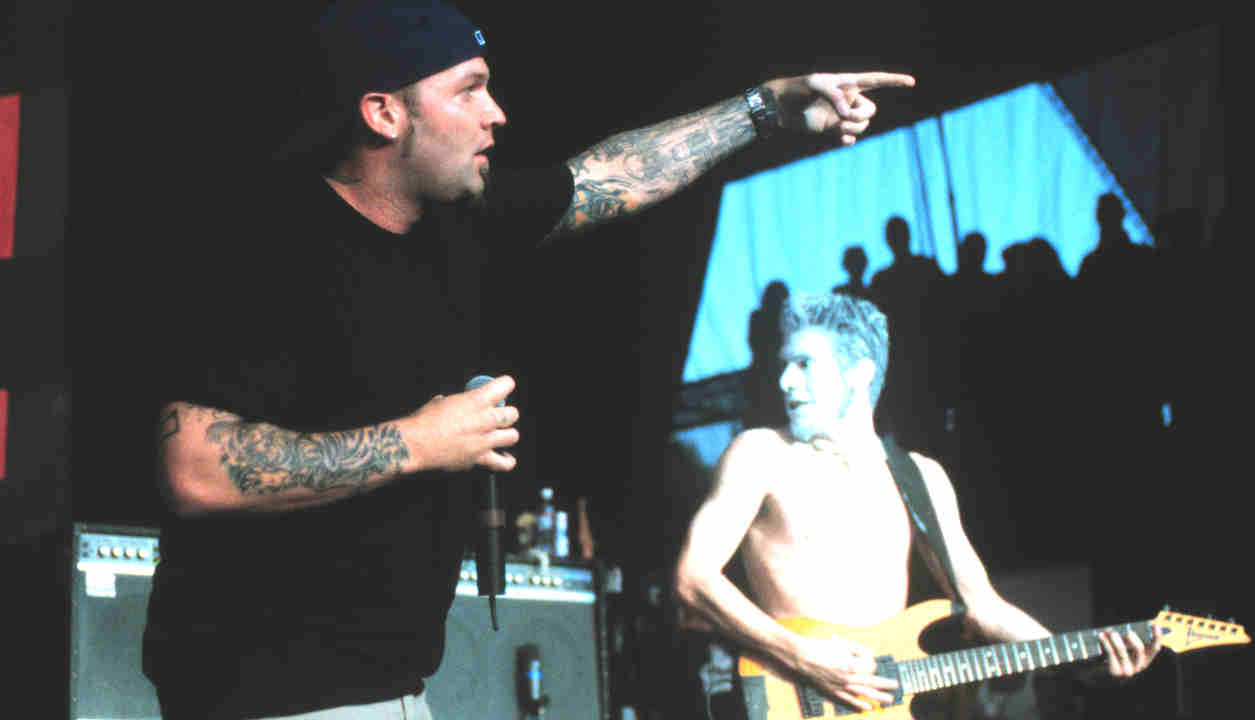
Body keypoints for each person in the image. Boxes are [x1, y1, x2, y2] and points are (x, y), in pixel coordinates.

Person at [139, 1, 915, 718]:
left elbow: (612, 175)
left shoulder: (460, 225)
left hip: (387, 689)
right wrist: (421, 442)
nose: (497, 113)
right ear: (384, 112)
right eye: (468, 90)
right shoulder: (268, 245)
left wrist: (764, 108)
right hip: (269, 693)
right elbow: (195, 466)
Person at [673, 293, 1162, 716]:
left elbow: (985, 608)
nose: (785, 380)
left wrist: (1081, 660)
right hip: (789, 696)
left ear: (860, 372)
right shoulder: (760, 453)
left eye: (804, 363)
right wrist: (800, 655)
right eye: (784, 364)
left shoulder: (921, 477)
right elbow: (693, 580)